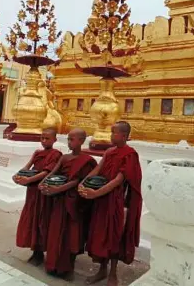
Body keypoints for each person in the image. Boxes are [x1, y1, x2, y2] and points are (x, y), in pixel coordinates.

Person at [78, 121, 142, 286]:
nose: (111, 136)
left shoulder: (130, 154)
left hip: (116, 201)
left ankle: (113, 273)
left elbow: (118, 180)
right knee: (100, 235)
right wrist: (83, 183)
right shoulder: (109, 152)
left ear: (124, 136)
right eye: (111, 132)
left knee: (114, 236)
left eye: (114, 133)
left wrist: (96, 193)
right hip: (101, 201)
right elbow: (98, 169)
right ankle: (102, 270)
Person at [41, 128, 97, 279]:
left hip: (74, 202)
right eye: (68, 139)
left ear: (81, 141)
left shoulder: (87, 160)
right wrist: (44, 182)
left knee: (72, 235)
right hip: (60, 201)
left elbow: (78, 181)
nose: (69, 142)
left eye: (72, 139)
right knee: (55, 232)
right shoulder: (64, 157)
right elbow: (54, 171)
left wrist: (57, 189)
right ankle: (52, 265)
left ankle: (69, 267)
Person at [12, 128, 62, 266]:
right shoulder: (37, 153)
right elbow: (27, 167)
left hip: (44, 192)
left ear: (54, 140)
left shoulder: (56, 154)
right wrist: (17, 175)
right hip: (32, 192)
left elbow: (48, 172)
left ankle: (41, 251)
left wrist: (28, 180)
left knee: (42, 220)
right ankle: (35, 251)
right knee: (32, 220)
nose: (44, 141)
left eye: (47, 138)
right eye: (42, 138)